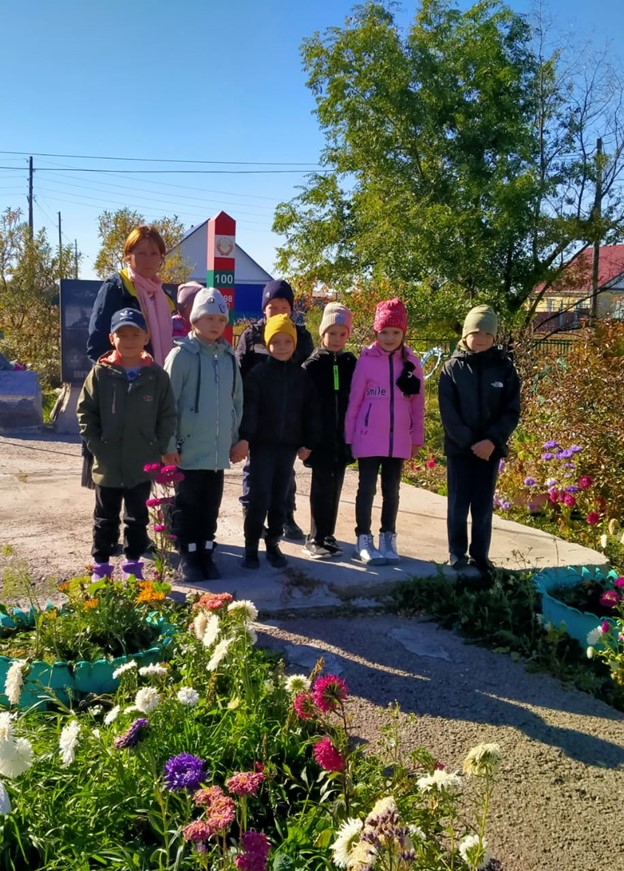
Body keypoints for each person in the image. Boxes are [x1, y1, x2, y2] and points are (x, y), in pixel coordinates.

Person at [77, 308, 177, 582]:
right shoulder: (100, 373)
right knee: (104, 519)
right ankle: (101, 568)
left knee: (136, 519)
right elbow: (85, 412)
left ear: (146, 336)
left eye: (135, 334)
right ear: (112, 338)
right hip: (107, 464)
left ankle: (133, 567)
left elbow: (167, 414)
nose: (129, 340)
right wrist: (98, 445)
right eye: (123, 334)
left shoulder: (156, 376)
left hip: (141, 463)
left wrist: (156, 446)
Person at [164, 288, 245, 583]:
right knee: (188, 506)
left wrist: (236, 440)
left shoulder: (228, 358)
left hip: (216, 454)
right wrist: (169, 443)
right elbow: (167, 402)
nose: (215, 324)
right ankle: (187, 555)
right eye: (208, 318)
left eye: (220, 319)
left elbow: (237, 402)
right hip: (188, 451)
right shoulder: (181, 356)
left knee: (211, 507)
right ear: (194, 320)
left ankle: (206, 554)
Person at [438, 304, 520, 580]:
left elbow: (511, 410)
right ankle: (457, 552)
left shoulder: (505, 369)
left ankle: (480, 554)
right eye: (476, 332)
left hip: (490, 451)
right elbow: (449, 413)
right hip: (460, 450)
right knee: (458, 504)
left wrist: (491, 441)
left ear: (494, 337)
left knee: (483, 505)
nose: (481, 338)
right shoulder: (452, 369)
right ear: (465, 335)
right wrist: (472, 442)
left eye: (487, 333)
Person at [345, 298, 425, 566]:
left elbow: (418, 406)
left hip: (398, 440)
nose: (389, 338)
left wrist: (417, 438)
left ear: (403, 333)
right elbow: (354, 401)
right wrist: (349, 436)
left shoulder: (412, 364)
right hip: (368, 438)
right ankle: (363, 539)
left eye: (395, 332)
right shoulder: (366, 362)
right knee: (366, 489)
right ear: (375, 333)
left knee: (392, 490)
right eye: (384, 332)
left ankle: (388, 536)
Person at [237, 313, 320, 570]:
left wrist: (307, 442)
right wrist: (246, 439)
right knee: (258, 498)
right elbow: (249, 410)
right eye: (276, 342)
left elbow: (310, 412)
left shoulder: (301, 377)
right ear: (267, 344)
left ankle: (273, 544)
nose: (281, 347)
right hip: (262, 446)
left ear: (294, 344)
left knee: (279, 499)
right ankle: (251, 548)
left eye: (287, 341)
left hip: (287, 448)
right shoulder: (258, 375)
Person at [301, 303, 357, 558]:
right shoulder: (312, 365)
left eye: (342, 334)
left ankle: (328, 533)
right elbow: (302, 406)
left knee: (336, 486)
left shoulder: (351, 363)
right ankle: (315, 536)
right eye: (332, 333)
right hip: (319, 438)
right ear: (323, 333)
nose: (337, 339)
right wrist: (304, 440)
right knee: (321, 486)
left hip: (342, 437)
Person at [87, 225, 175, 366]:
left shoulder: (163, 296)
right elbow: (97, 346)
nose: (149, 260)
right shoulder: (116, 288)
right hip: (121, 381)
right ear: (128, 256)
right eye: (142, 253)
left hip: (156, 379)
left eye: (154, 254)